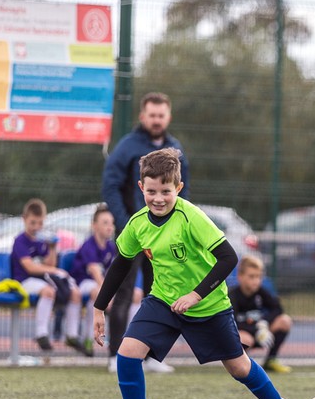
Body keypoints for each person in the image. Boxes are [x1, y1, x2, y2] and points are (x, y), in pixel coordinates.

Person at [92, 148, 301, 399]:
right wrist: (99, 307)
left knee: (239, 367)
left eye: (166, 191)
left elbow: (228, 258)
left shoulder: (192, 217)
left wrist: (195, 295)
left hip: (208, 305)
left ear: (178, 187)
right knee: (127, 353)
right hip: (163, 301)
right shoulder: (137, 223)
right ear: (141, 188)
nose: (158, 198)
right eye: (151, 191)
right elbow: (121, 264)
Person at [102, 91, 188, 374]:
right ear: (143, 116)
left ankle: (151, 356)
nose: (156, 120)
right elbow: (110, 186)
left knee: (160, 293)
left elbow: (181, 190)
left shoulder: (175, 148)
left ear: (168, 117)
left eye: (161, 115)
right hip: (134, 232)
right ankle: (116, 355)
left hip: (165, 237)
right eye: (151, 115)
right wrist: (127, 222)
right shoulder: (127, 146)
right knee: (124, 291)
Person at [10, 198, 87, 354]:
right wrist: (54, 271)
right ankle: (41, 334)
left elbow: (50, 264)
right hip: (23, 281)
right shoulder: (20, 241)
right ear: (24, 219)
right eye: (33, 222)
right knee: (48, 291)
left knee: (75, 293)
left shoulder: (41, 241)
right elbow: (30, 268)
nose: (36, 227)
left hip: (42, 280)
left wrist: (52, 248)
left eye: (40, 223)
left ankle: (71, 335)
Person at [229, 255, 293, 373]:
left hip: (261, 333)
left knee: (285, 321)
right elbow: (232, 322)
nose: (256, 281)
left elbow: (277, 309)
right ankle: (239, 364)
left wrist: (263, 324)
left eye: (258, 277)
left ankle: (271, 360)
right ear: (240, 276)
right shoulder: (232, 295)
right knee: (245, 339)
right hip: (246, 335)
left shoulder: (261, 292)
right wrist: (256, 330)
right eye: (251, 277)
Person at [68, 203, 117, 356]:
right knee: (97, 293)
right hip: (81, 284)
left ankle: (123, 340)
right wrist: (109, 297)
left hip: (96, 288)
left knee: (132, 295)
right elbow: (96, 273)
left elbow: (111, 273)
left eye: (112, 223)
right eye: (105, 223)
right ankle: (85, 336)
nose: (110, 227)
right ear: (94, 226)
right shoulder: (89, 245)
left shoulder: (111, 247)